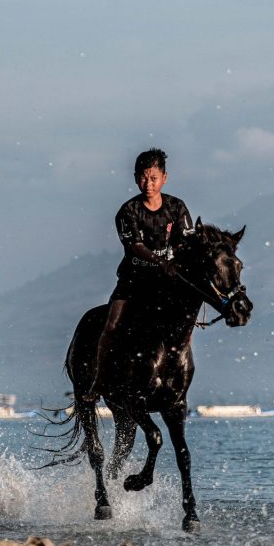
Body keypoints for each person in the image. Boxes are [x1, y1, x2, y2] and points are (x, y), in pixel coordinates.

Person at [83, 148, 194, 401]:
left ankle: (176, 375)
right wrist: (160, 261)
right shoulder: (128, 211)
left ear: (165, 177)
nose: (149, 183)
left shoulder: (177, 207)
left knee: (184, 322)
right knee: (111, 325)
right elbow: (134, 245)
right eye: (143, 178)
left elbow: (184, 241)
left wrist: (176, 261)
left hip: (167, 281)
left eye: (154, 178)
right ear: (135, 178)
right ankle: (99, 381)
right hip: (133, 280)